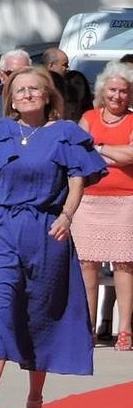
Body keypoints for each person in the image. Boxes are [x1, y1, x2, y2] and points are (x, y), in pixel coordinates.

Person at [0, 67, 106, 408]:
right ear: (10, 98)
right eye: (19, 89)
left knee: (39, 314)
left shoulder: (66, 134)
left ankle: (35, 400)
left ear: (49, 94)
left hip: (46, 231)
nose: (26, 94)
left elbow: (77, 180)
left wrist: (67, 216)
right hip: (2, 231)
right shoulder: (0, 132)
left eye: (34, 88)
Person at [75, 63, 133, 349]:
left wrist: (98, 149)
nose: (118, 96)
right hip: (88, 201)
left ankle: (125, 330)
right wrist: (117, 154)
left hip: (125, 201)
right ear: (102, 90)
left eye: (124, 91)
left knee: (124, 264)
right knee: (87, 264)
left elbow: (132, 155)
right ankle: (87, 328)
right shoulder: (88, 118)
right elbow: (77, 152)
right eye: (113, 89)